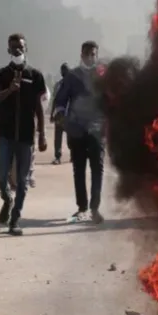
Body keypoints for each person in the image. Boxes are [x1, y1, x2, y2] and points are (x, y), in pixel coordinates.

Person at [0, 33, 48, 236]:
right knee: (0, 172)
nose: (17, 50)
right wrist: (10, 90)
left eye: (20, 47)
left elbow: (39, 108)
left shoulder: (35, 75)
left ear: (26, 49)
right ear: (8, 50)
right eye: (13, 47)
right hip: (6, 133)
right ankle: (7, 198)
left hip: (26, 135)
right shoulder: (0, 74)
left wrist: (42, 134)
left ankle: (15, 219)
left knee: (23, 181)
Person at [54, 42, 106, 224]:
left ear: (97, 55)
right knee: (79, 169)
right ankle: (82, 207)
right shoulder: (72, 76)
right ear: (81, 54)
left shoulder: (102, 75)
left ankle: (95, 208)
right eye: (87, 54)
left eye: (93, 54)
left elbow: (111, 99)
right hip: (76, 129)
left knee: (98, 168)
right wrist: (61, 115)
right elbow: (60, 99)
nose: (90, 57)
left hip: (97, 129)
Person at [51, 63, 69, 165]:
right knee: (58, 137)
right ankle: (57, 157)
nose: (63, 72)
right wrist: (52, 114)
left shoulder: (73, 85)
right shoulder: (58, 85)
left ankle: (73, 155)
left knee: (71, 137)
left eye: (65, 70)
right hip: (59, 114)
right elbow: (55, 100)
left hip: (69, 114)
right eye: (62, 70)